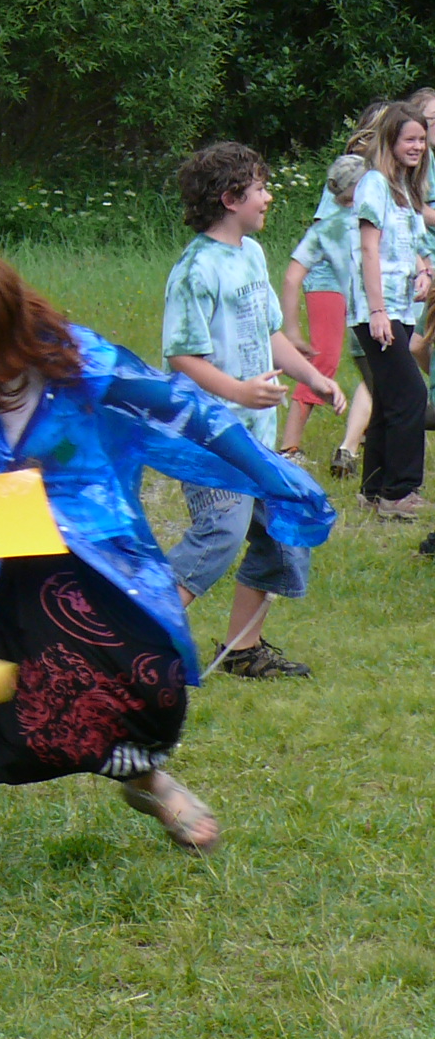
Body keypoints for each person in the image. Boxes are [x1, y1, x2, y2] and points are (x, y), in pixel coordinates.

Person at [0, 251, 336, 897]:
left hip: (89, 545)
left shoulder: (76, 360)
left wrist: (276, 477)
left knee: (143, 674)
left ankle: (144, 777)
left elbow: (188, 413)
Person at [161, 142, 346, 679]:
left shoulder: (251, 254)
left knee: (281, 530)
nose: (268, 198)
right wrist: (239, 392)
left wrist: (312, 376)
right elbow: (182, 356)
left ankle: (242, 650)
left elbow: (269, 334)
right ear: (229, 198)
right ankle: (132, 633)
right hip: (209, 438)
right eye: (260, 189)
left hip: (254, 438)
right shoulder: (195, 270)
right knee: (221, 532)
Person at [350, 102, 435, 519]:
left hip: (401, 307)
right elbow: (369, 249)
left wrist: (425, 271)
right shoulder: (373, 185)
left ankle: (373, 489)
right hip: (377, 310)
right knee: (411, 394)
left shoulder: (405, 187)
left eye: (421, 139)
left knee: (386, 398)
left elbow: (412, 244)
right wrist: (377, 311)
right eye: (409, 140)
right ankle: (399, 493)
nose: (418, 146)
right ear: (390, 141)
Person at [278, 151, 368, 464]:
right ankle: (289, 447)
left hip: (351, 288)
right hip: (326, 280)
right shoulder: (336, 222)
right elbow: (294, 275)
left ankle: (369, 435)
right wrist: (292, 331)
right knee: (323, 360)